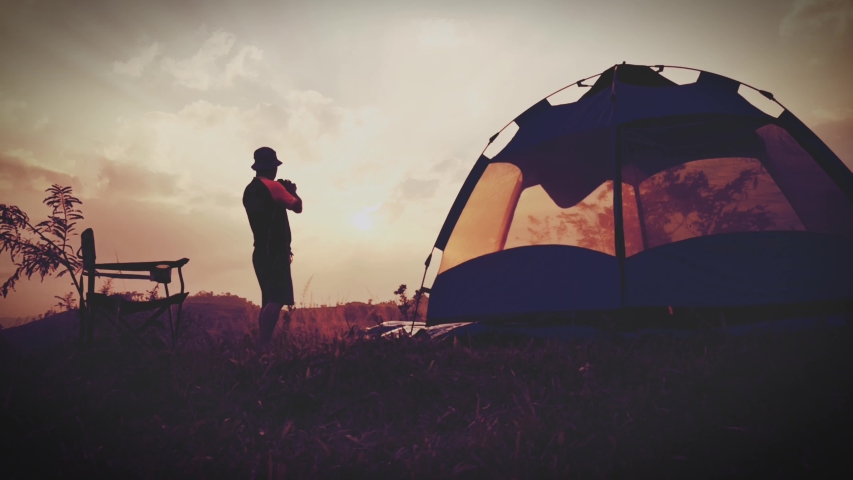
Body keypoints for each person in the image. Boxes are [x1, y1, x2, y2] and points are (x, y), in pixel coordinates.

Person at [242, 146, 303, 347]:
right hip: (276, 252)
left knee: (267, 300)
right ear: (272, 167)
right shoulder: (274, 187)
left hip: (259, 252)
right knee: (277, 299)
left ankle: (262, 346)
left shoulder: (249, 190)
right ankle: (264, 346)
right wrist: (291, 191)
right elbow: (298, 207)